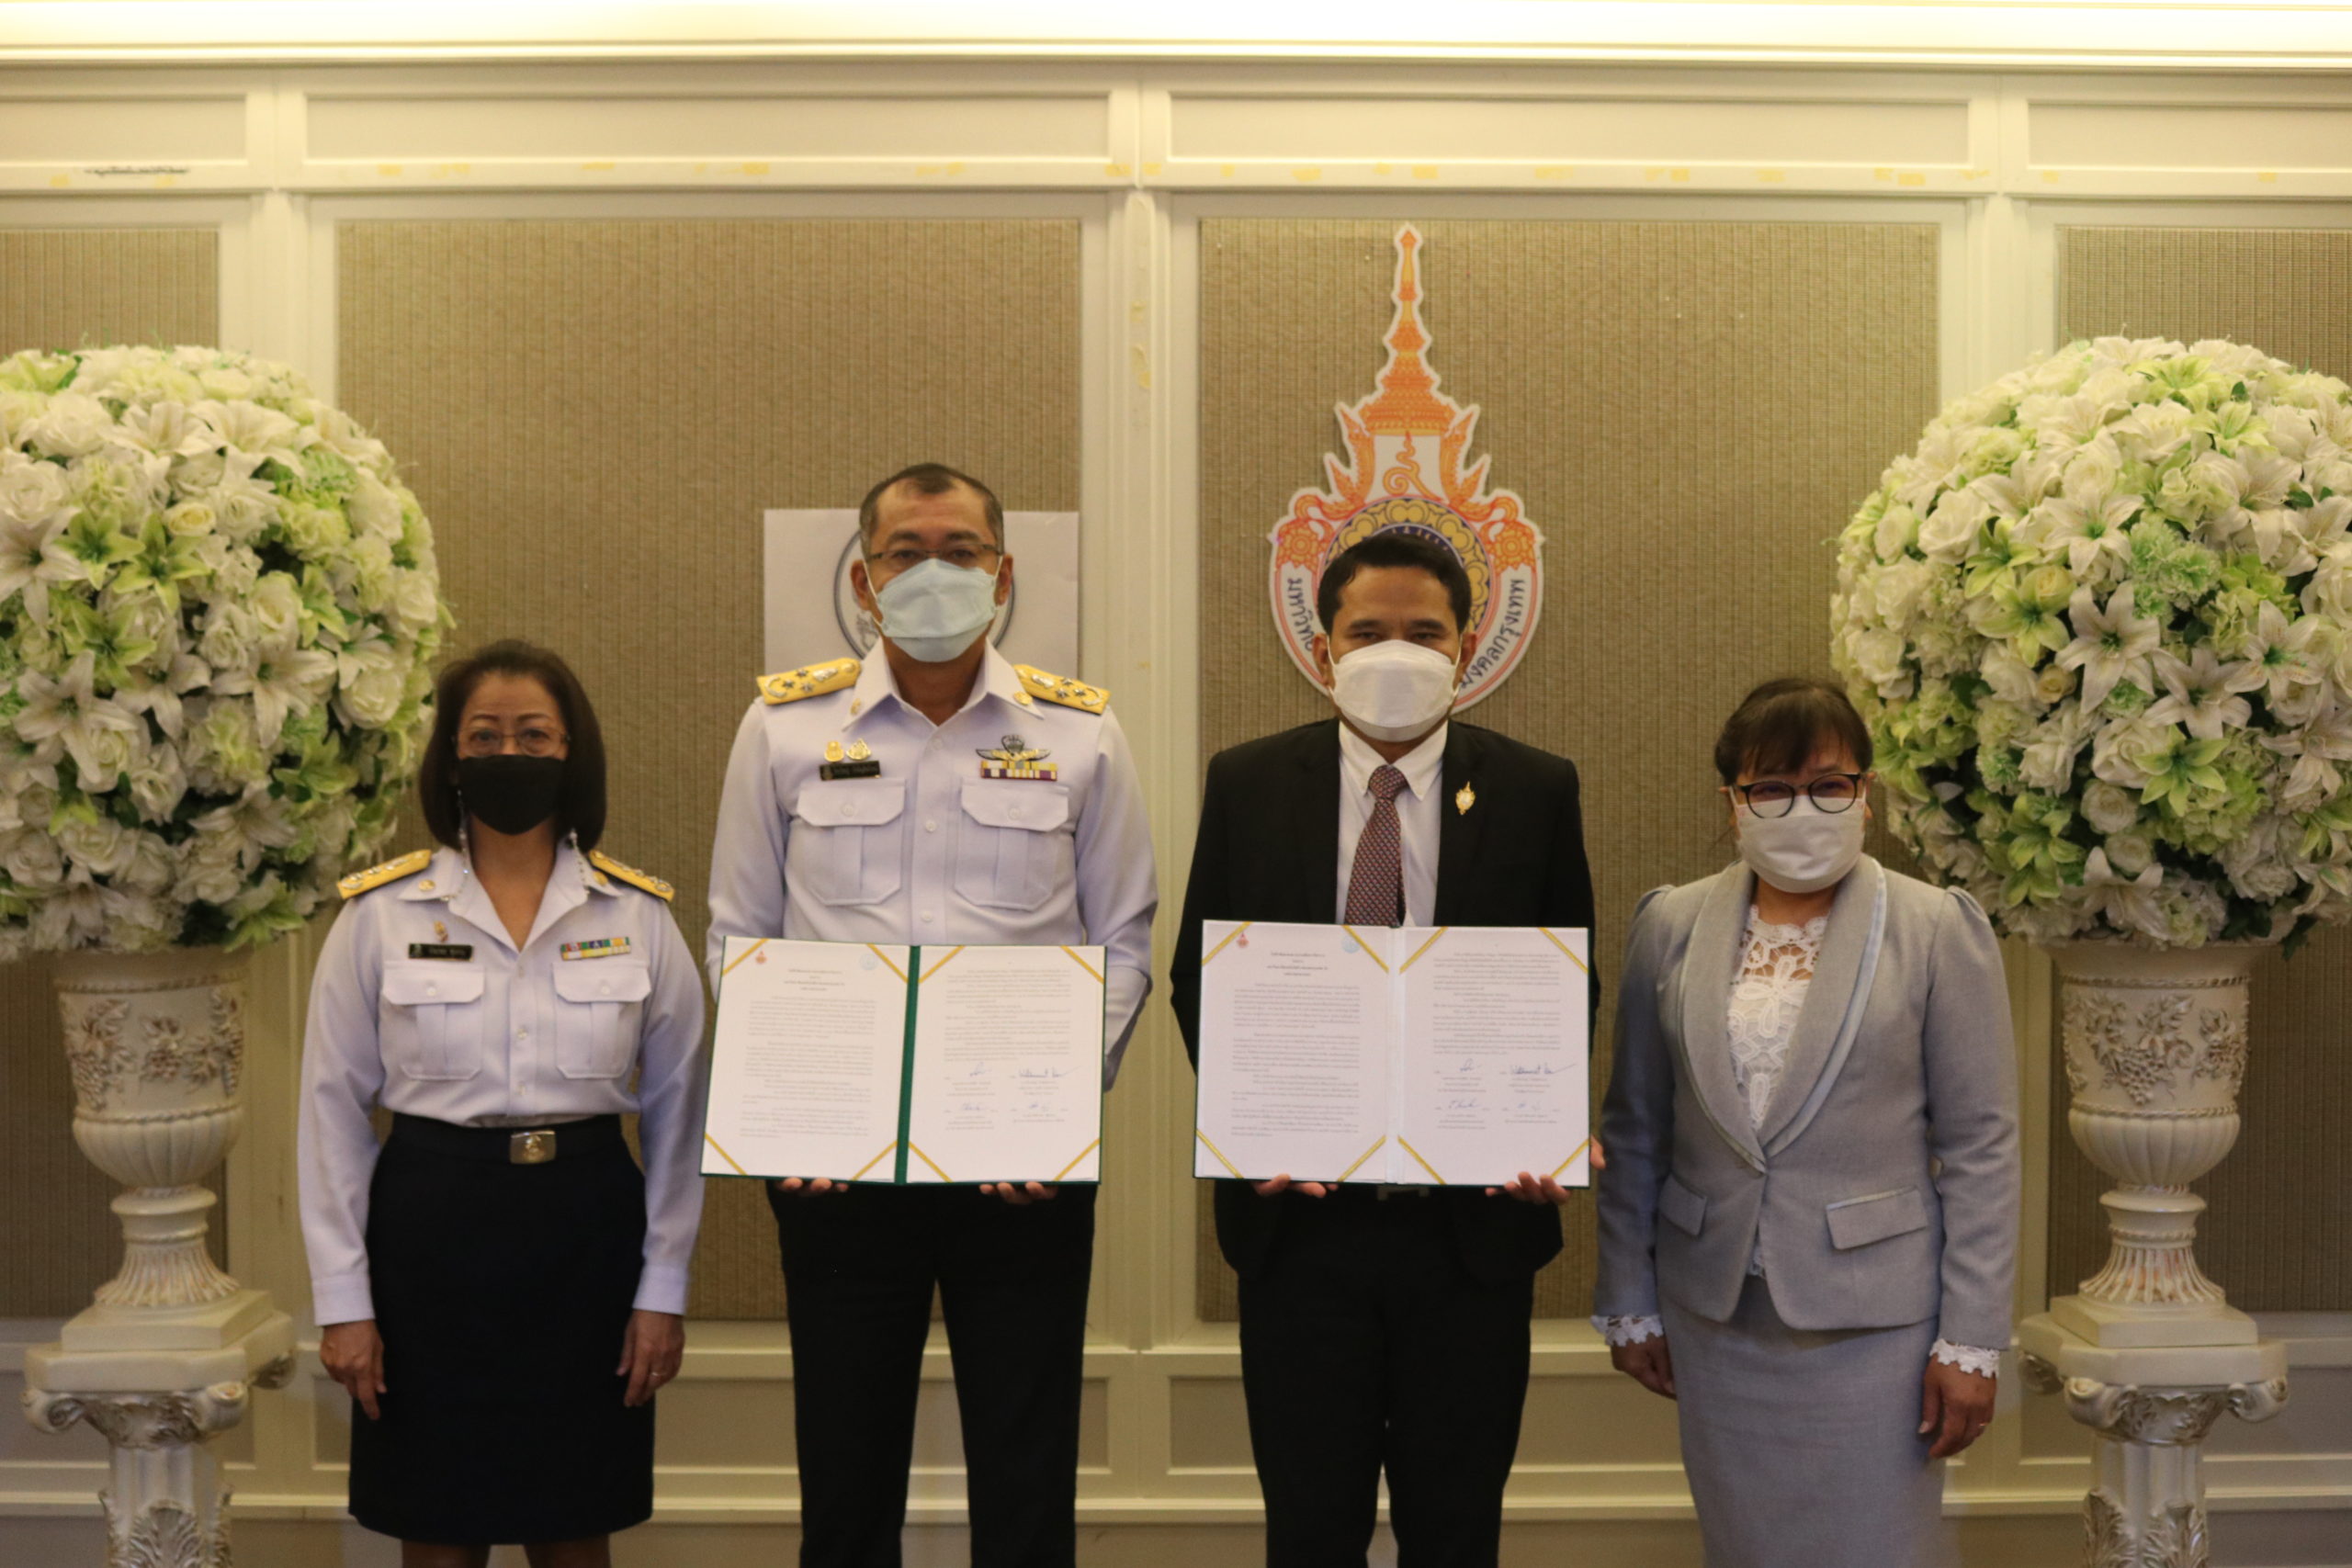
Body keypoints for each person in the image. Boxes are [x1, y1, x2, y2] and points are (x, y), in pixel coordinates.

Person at [706, 461, 1157, 1568]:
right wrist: (788, 1121)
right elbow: (737, 937)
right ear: (863, 581)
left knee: (1026, 1467)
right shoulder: (783, 728)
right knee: (846, 1472)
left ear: (1002, 575)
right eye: (905, 552)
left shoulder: (1081, 733)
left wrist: (1054, 1115)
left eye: (960, 551)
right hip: (839, 1171)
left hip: (1024, 1170)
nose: (933, 573)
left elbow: (1124, 941)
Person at [1169, 530, 1597, 1568]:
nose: (1395, 652)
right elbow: (1198, 979)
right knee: (1310, 1529)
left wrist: (1537, 1124)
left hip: (1471, 1239)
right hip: (1299, 1232)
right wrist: (1252, 1123)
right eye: (1367, 632)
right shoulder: (1247, 781)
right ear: (1323, 648)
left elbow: (1567, 985)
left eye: (1423, 632)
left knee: (1456, 1530)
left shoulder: (1536, 788)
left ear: (1467, 649)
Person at [1592, 677, 2020, 1568]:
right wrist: (1627, 1296)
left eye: (1828, 784)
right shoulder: (1669, 925)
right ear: (1732, 801)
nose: (1802, 809)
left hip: (1877, 1328)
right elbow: (1634, 1128)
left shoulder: (1936, 928)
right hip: (1715, 1318)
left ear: (1866, 793)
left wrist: (1972, 1338)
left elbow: (1981, 1147)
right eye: (1772, 788)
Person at [299, 640, 708, 1568]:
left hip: (586, 1238)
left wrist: (662, 1290)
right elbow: (329, 1114)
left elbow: (682, 1119)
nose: (508, 754)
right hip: (429, 1238)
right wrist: (344, 1301)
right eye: (484, 736)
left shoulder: (635, 915)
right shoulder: (381, 915)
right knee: (439, 1532)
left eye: (534, 736)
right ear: (451, 757)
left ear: (572, 752)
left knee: (574, 1530)